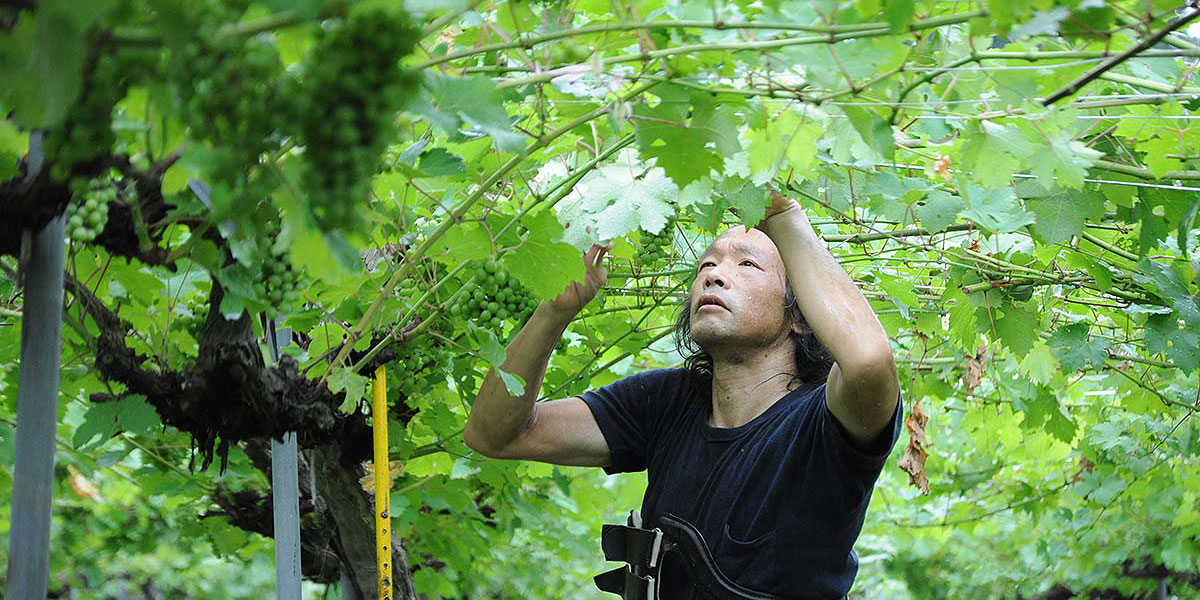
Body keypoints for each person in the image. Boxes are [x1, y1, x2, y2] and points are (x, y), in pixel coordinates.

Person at [463, 189, 902, 600]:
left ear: (801, 317)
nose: (715, 276)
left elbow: (867, 361)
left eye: (746, 265)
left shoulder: (825, 425)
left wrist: (784, 218)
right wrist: (554, 312)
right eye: (705, 266)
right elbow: (495, 435)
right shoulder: (666, 402)